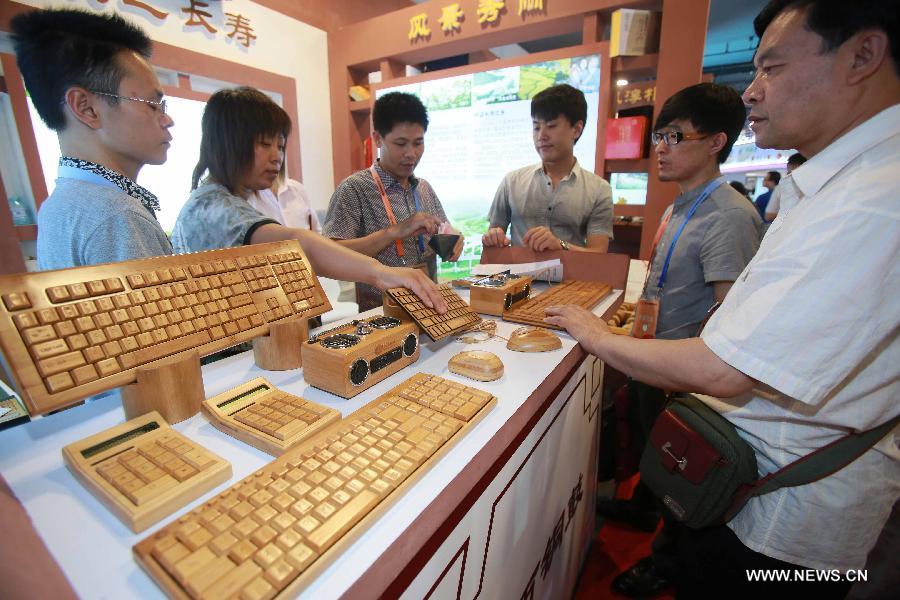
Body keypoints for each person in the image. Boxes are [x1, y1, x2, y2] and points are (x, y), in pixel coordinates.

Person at [546, 0, 899, 596]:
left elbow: (726, 366)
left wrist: (596, 334)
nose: (753, 93)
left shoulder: (870, 200)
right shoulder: (831, 184)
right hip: (743, 473)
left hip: (781, 512)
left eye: (773, 68)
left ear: (863, 56)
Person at [598, 83, 762, 597]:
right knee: (653, 452)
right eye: (659, 136)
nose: (661, 148)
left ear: (716, 142)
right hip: (656, 359)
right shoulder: (678, 206)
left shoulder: (730, 216)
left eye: (674, 136)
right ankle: (644, 509)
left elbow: (728, 317)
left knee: (684, 472)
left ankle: (665, 560)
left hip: (689, 378)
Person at [170, 87, 445, 313]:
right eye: (265, 145)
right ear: (228, 142)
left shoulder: (228, 200)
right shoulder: (211, 207)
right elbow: (298, 246)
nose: (277, 157)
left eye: (279, 146)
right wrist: (381, 273)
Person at [11, 8, 174, 270]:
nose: (167, 120)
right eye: (152, 105)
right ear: (86, 108)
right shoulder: (119, 216)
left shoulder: (59, 204)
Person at [322, 92, 463, 311]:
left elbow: (444, 235)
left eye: (418, 143)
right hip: (381, 315)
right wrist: (394, 232)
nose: (411, 154)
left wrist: (452, 242)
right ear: (378, 138)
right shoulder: (354, 189)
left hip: (430, 308)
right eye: (401, 143)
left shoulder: (424, 188)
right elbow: (330, 255)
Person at [482, 84, 613, 253]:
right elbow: (494, 234)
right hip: (518, 279)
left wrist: (560, 245)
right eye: (536, 127)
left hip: (572, 278)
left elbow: (599, 254)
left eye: (551, 126)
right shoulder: (512, 182)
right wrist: (493, 237)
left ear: (577, 129)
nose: (541, 136)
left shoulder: (599, 189)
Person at [248, 165, 321, 232]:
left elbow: (317, 232)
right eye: (266, 149)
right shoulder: (246, 198)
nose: (276, 156)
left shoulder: (297, 189)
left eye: (280, 150)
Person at [764, 152, 807, 221]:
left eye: (766, 180)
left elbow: (769, 215)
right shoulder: (820, 183)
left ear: (791, 166)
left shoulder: (783, 186)